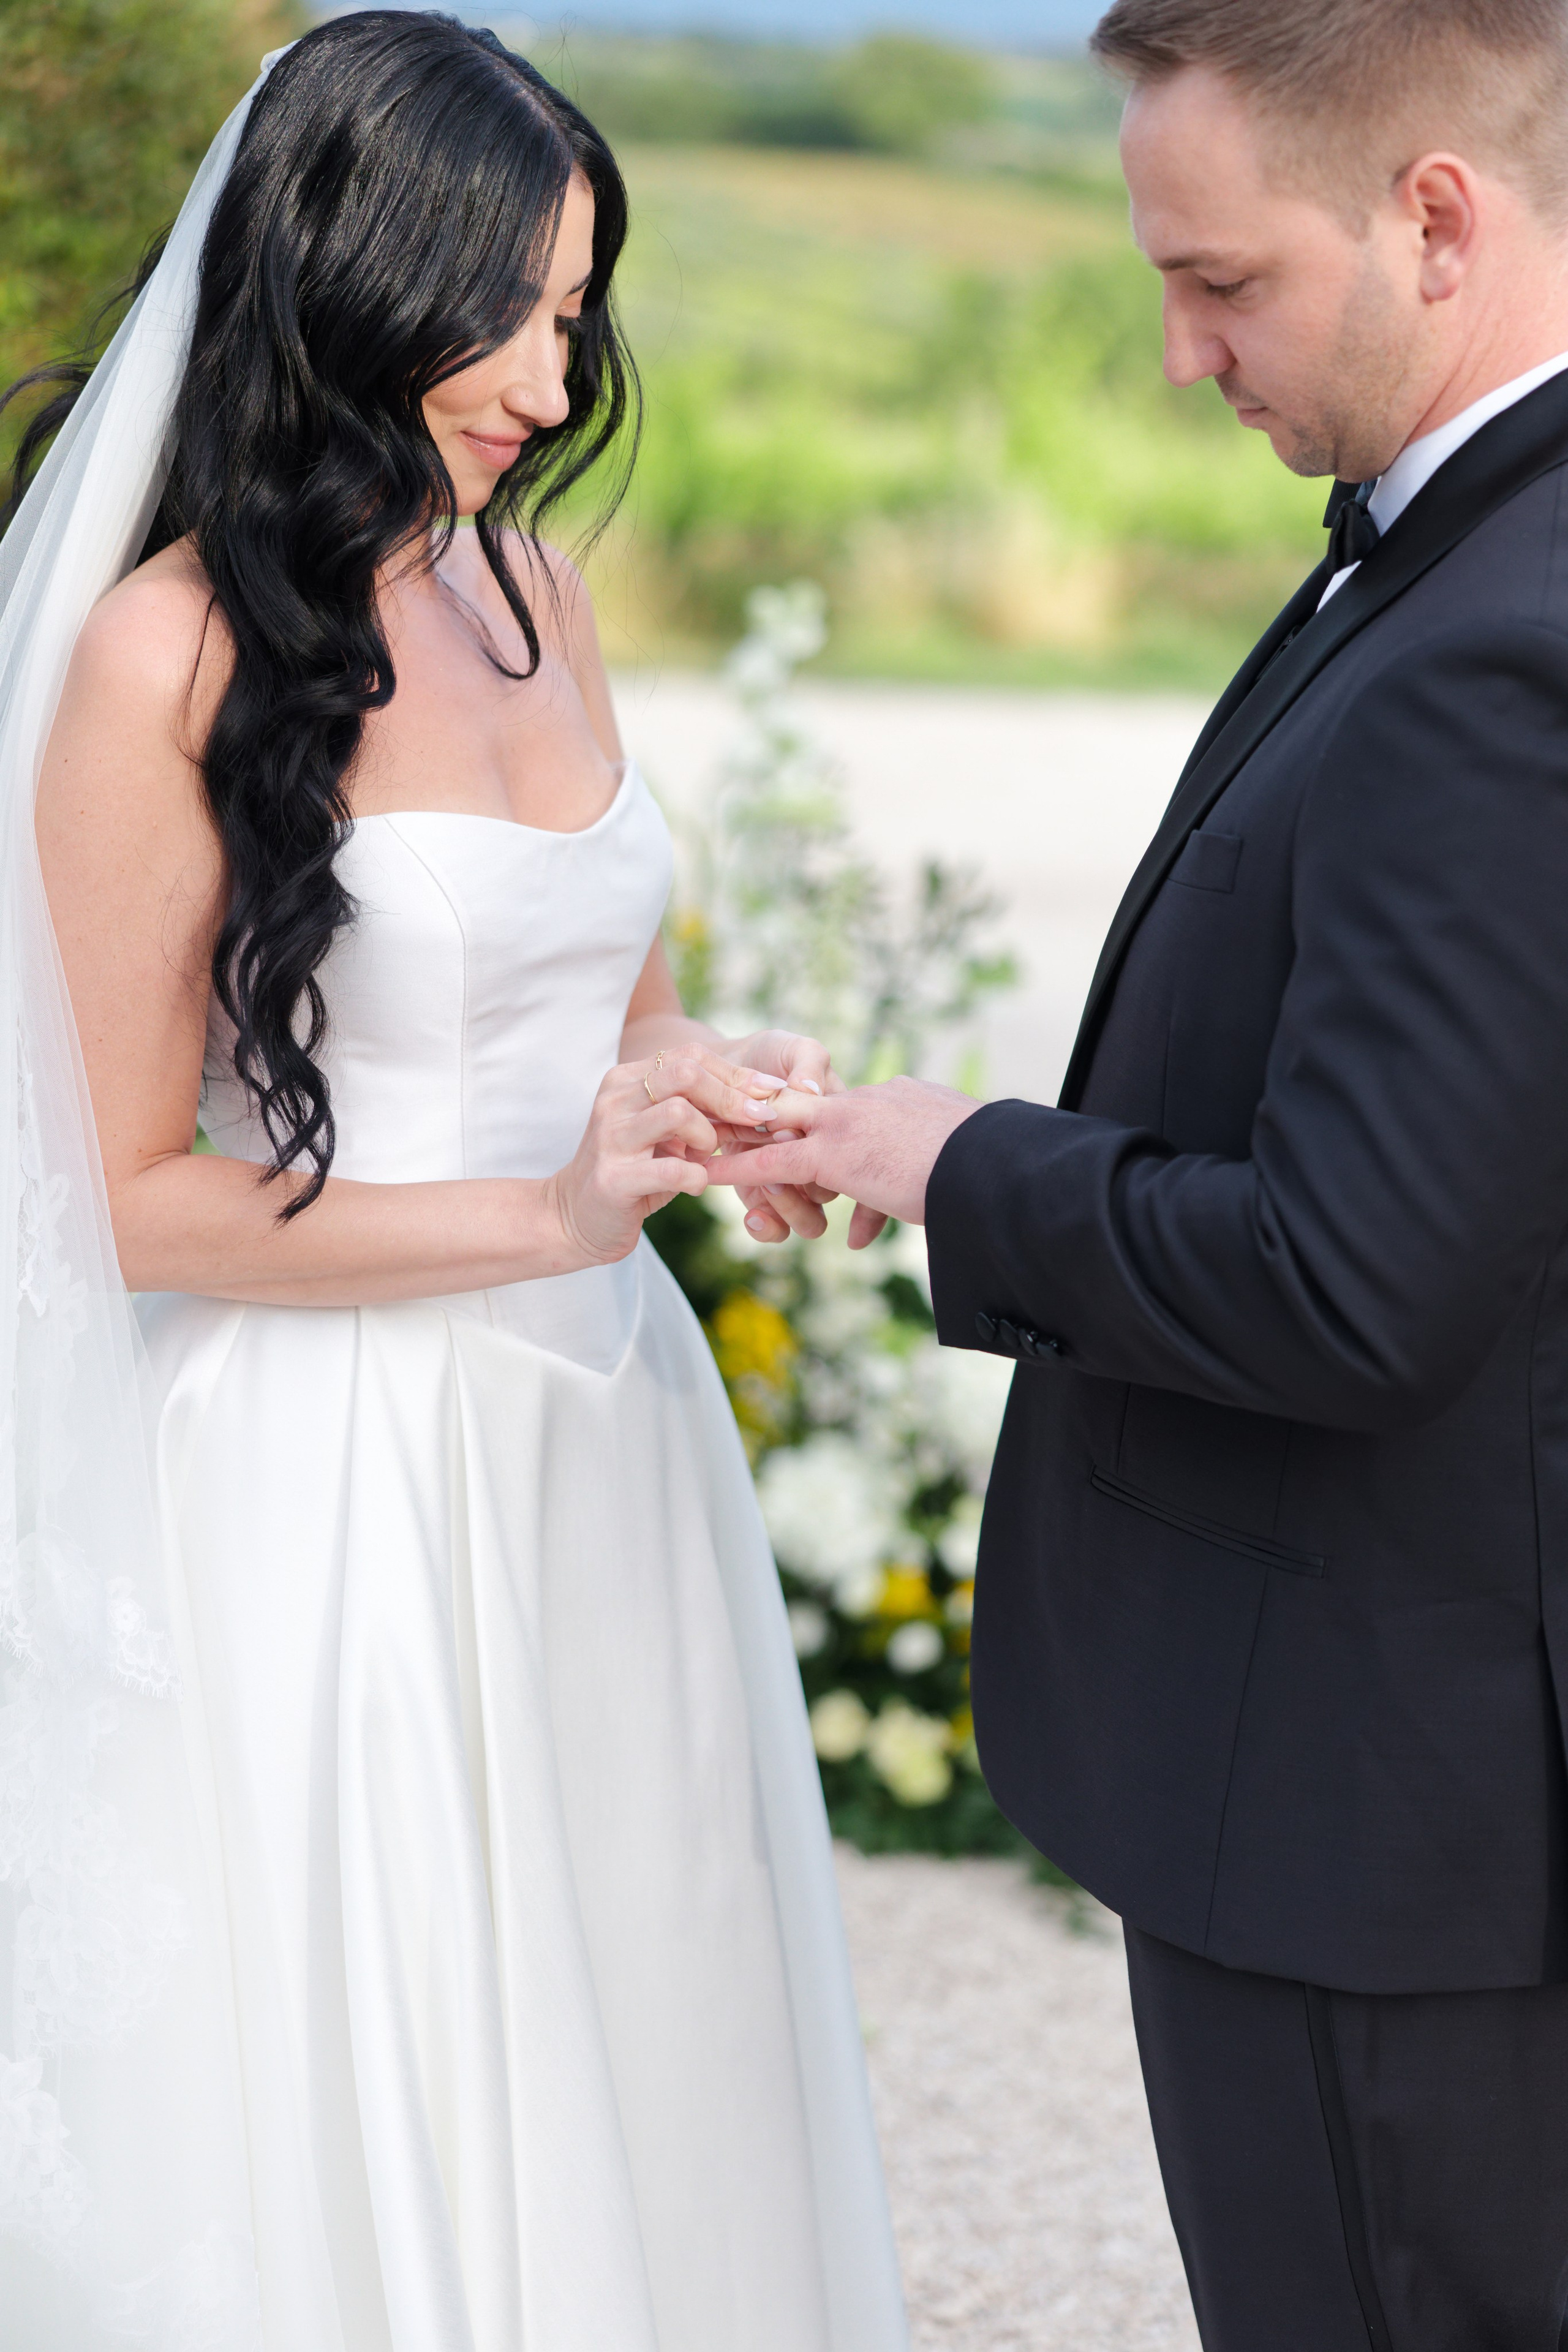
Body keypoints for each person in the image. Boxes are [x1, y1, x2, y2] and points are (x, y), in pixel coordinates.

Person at [0, 15, 909, 2348]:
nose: (550, 362)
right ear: (354, 276)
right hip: (336, 1478)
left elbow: (612, 1021)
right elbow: (122, 1195)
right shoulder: (164, 653)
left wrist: (715, 1094)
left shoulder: (533, 591)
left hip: (598, 1442)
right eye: (507, 303)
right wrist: (549, 1213)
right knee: (395, 2061)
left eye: (580, 304)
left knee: (647, 2014)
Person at [722, 1, 1568, 2343]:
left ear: (1436, 217)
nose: (1185, 359)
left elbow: (1354, 1280)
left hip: (1382, 1835)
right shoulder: (1438, 552)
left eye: (1222, 285)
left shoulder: (1509, 642)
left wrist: (957, 1162)